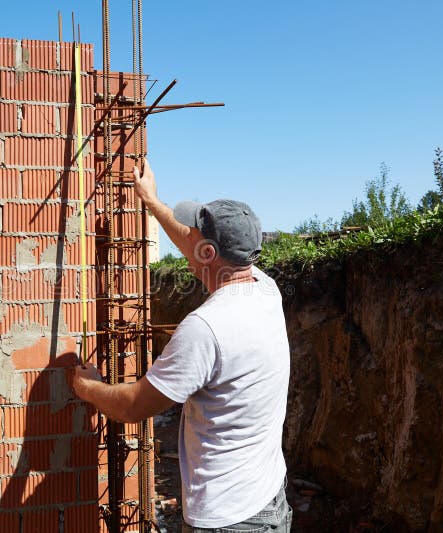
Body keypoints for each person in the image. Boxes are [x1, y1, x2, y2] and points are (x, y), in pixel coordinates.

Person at [68, 159, 292, 532]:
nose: (185, 236)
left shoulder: (206, 328)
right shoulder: (265, 289)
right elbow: (192, 242)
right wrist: (152, 201)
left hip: (228, 520)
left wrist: (87, 387)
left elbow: (135, 406)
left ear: (208, 253)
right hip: (268, 499)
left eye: (193, 233)